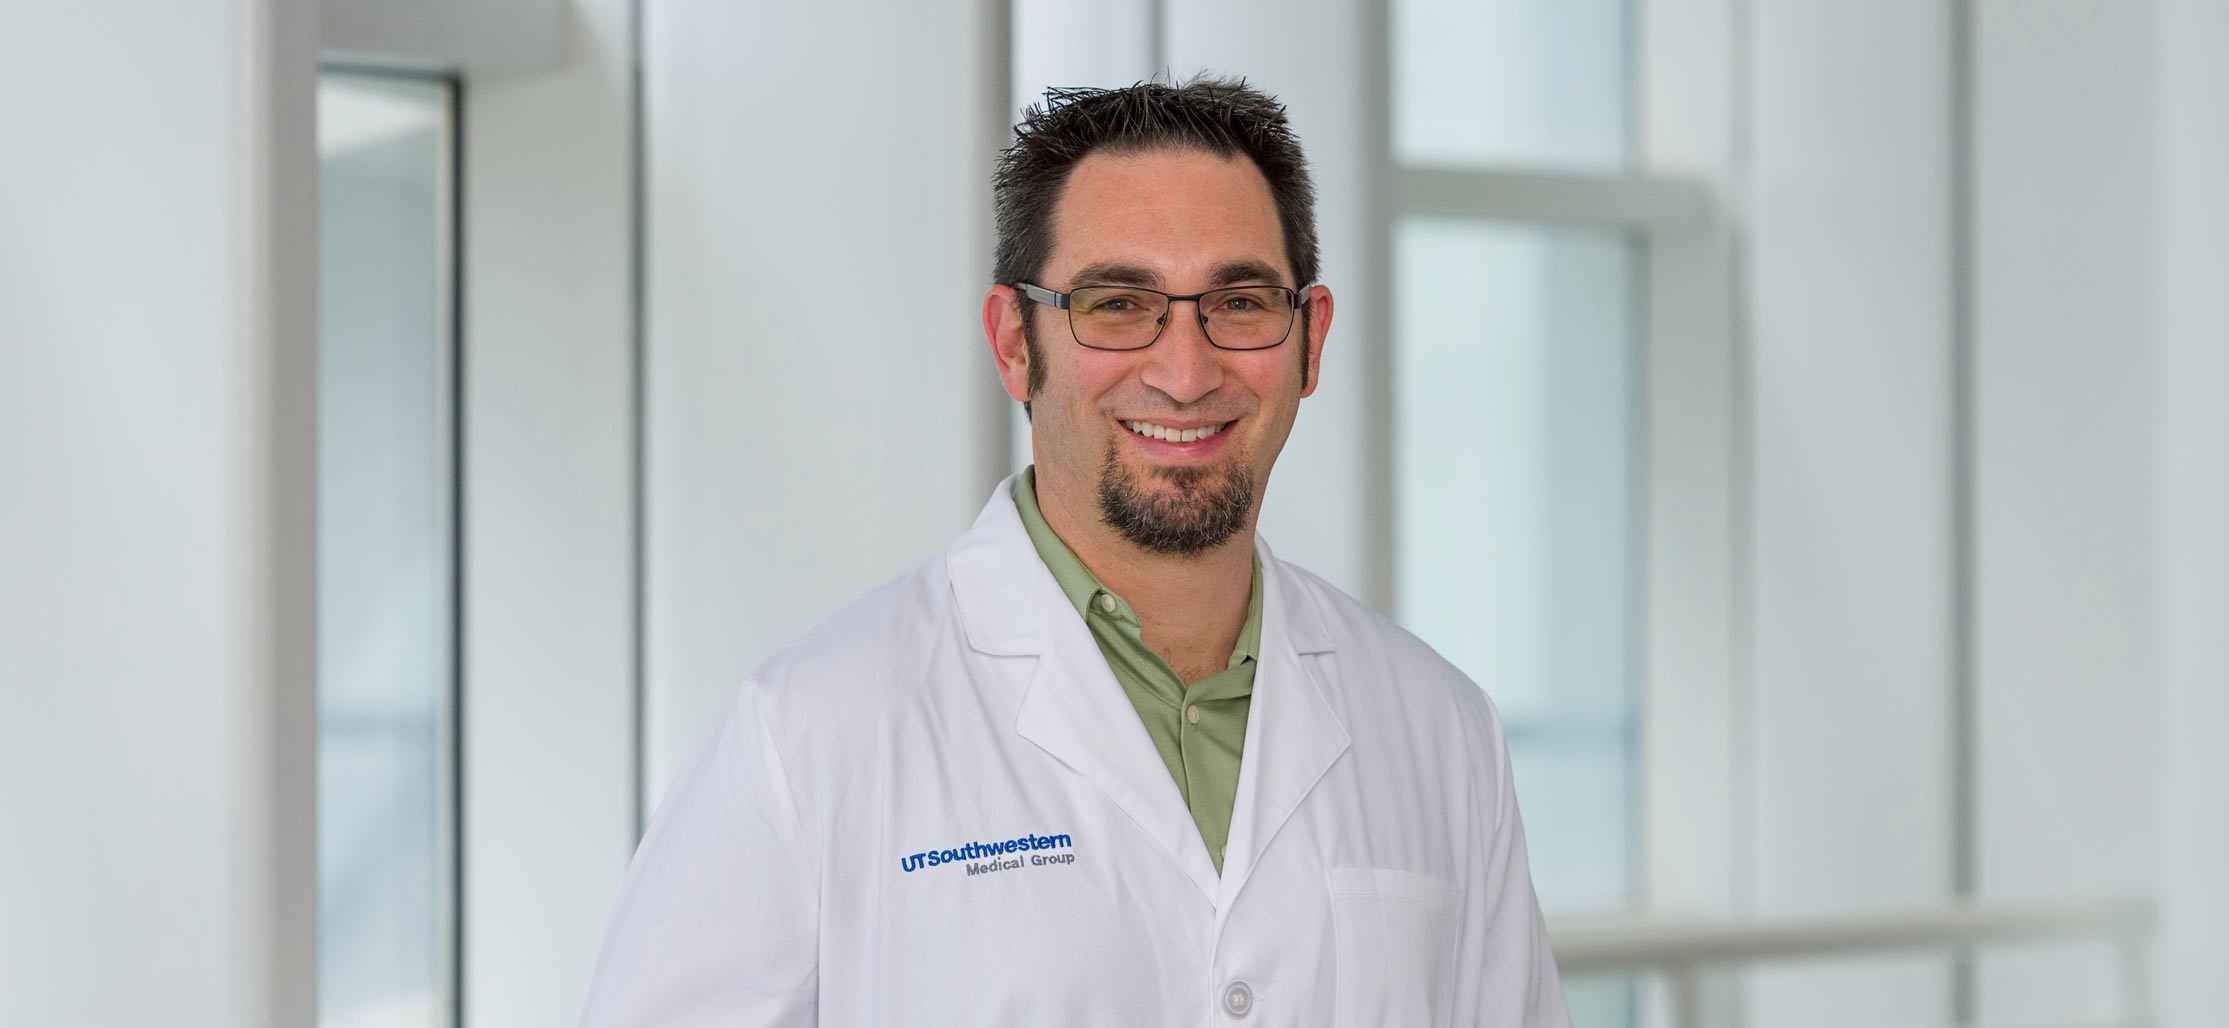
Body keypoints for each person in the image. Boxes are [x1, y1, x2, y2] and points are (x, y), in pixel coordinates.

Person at [579, 77, 1571, 1027]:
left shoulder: (1442, 730)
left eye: (1238, 301)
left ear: (1309, 338)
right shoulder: (810, 734)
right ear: (1015, 341)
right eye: (1116, 303)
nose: (1185, 371)